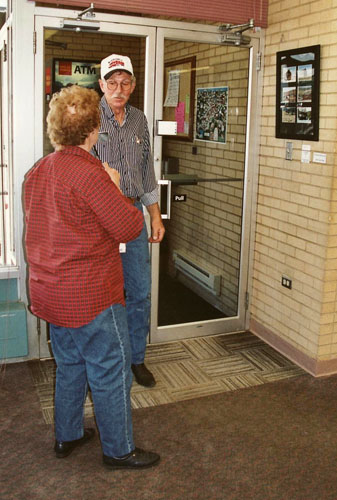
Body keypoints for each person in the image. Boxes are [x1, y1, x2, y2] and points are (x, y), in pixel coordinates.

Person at [23, 85, 160, 469]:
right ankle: (119, 450)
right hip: (91, 297)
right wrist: (115, 186)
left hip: (51, 294)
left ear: (55, 129)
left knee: (70, 364)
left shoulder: (37, 171)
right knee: (110, 369)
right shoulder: (92, 174)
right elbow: (129, 226)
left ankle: (66, 436)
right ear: (93, 129)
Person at [95, 53, 165, 388]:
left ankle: (137, 358)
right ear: (101, 85)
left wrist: (155, 216)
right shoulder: (89, 119)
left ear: (133, 86)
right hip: (98, 221)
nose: (118, 89)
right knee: (102, 294)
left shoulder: (139, 120)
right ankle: (110, 358)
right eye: (112, 83)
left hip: (134, 216)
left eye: (124, 83)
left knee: (139, 292)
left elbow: (146, 172)